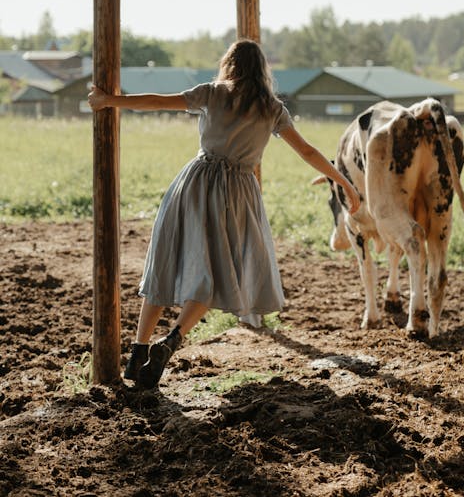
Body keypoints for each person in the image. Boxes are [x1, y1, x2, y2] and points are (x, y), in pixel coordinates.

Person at [88, 39, 360, 389]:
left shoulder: (213, 93)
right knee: (216, 273)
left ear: (229, 64)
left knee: (165, 261)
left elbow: (157, 102)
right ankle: (172, 340)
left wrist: (109, 101)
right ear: (262, 69)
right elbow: (307, 150)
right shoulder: (271, 108)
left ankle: (137, 352)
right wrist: (344, 183)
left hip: (195, 184)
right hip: (237, 195)